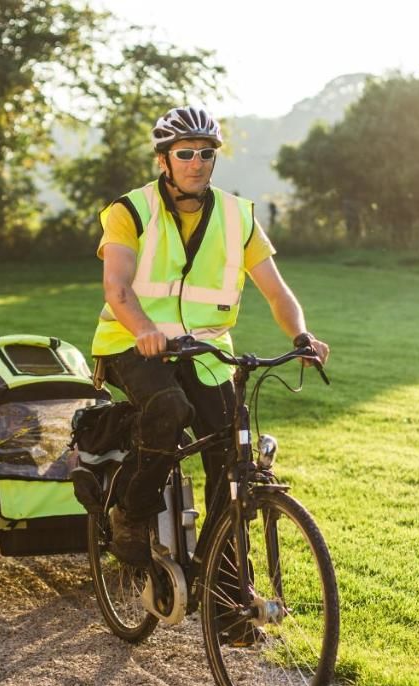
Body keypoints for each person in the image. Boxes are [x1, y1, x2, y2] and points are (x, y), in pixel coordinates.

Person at [93, 105, 330, 565]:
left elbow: (278, 292)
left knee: (232, 456)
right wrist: (143, 329)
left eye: (206, 153)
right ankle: (131, 511)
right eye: (185, 153)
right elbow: (117, 287)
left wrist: (301, 335)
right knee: (168, 407)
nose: (197, 162)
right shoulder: (131, 211)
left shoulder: (238, 218)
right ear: (164, 160)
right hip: (132, 343)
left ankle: (218, 590)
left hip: (206, 353)